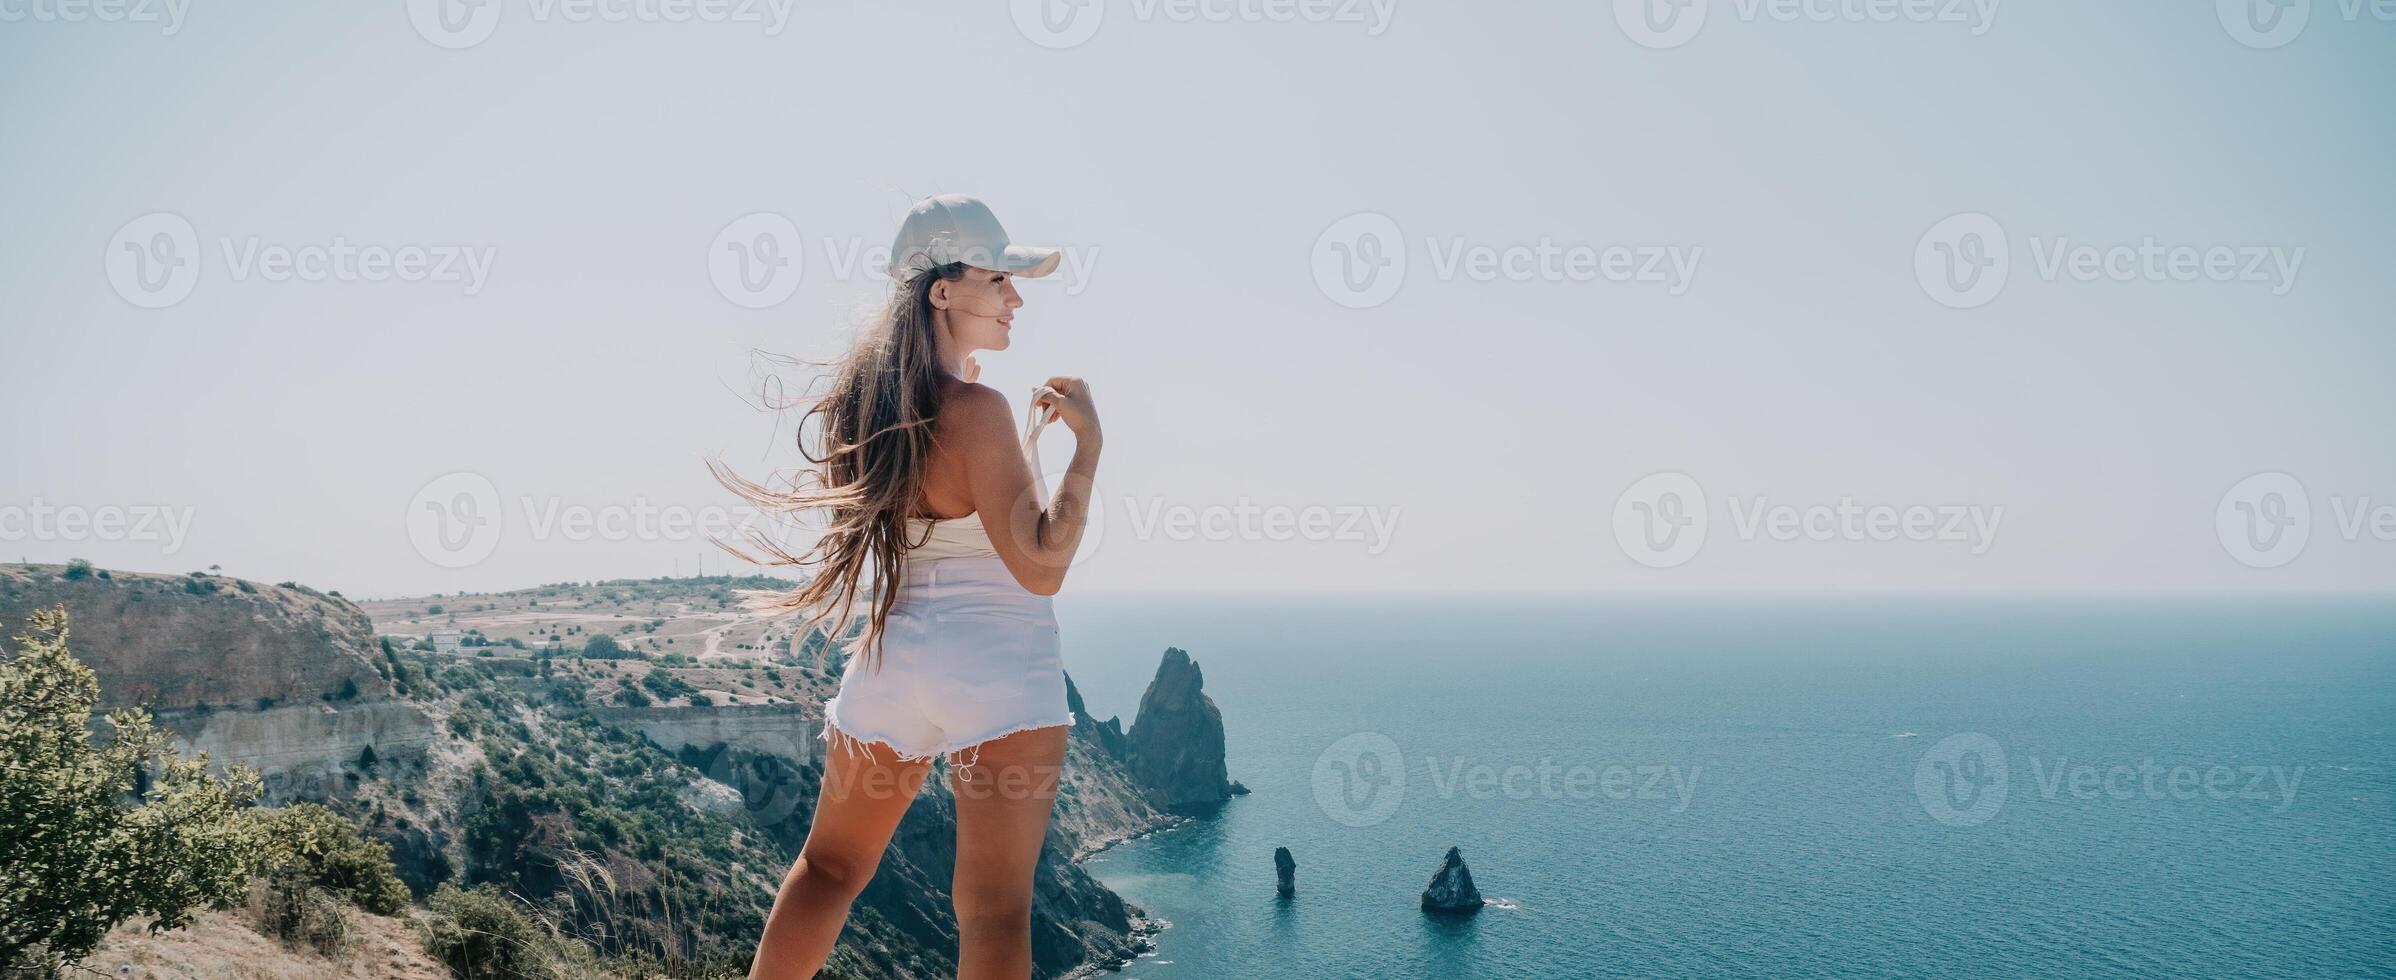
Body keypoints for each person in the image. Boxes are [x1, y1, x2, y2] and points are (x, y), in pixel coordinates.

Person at [726, 194, 1103, 980]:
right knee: (994, 910)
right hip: (999, 666)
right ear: (942, 290)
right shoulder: (978, 410)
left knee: (827, 872)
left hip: (891, 666)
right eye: (999, 280)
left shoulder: (868, 408)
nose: (1016, 298)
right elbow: (1041, 566)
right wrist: (1087, 448)